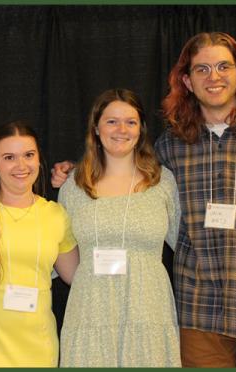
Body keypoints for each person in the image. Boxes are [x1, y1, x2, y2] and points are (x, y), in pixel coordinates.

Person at [52, 32, 236, 368]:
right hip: (201, 317)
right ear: (186, 80)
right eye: (202, 69)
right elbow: (119, 172)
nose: (213, 77)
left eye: (222, 67)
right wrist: (71, 171)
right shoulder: (172, 147)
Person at [56, 89, 181, 367]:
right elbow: (63, 252)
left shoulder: (162, 182)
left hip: (148, 313)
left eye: (131, 122)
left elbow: (186, 246)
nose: (121, 129)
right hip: (91, 313)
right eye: (112, 121)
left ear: (141, 129)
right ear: (96, 129)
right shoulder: (74, 186)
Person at [0, 121, 78, 367]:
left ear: (39, 158)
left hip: (38, 350)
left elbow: (77, 276)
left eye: (29, 155)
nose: (21, 165)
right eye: (9, 157)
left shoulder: (55, 215)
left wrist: (80, 178)